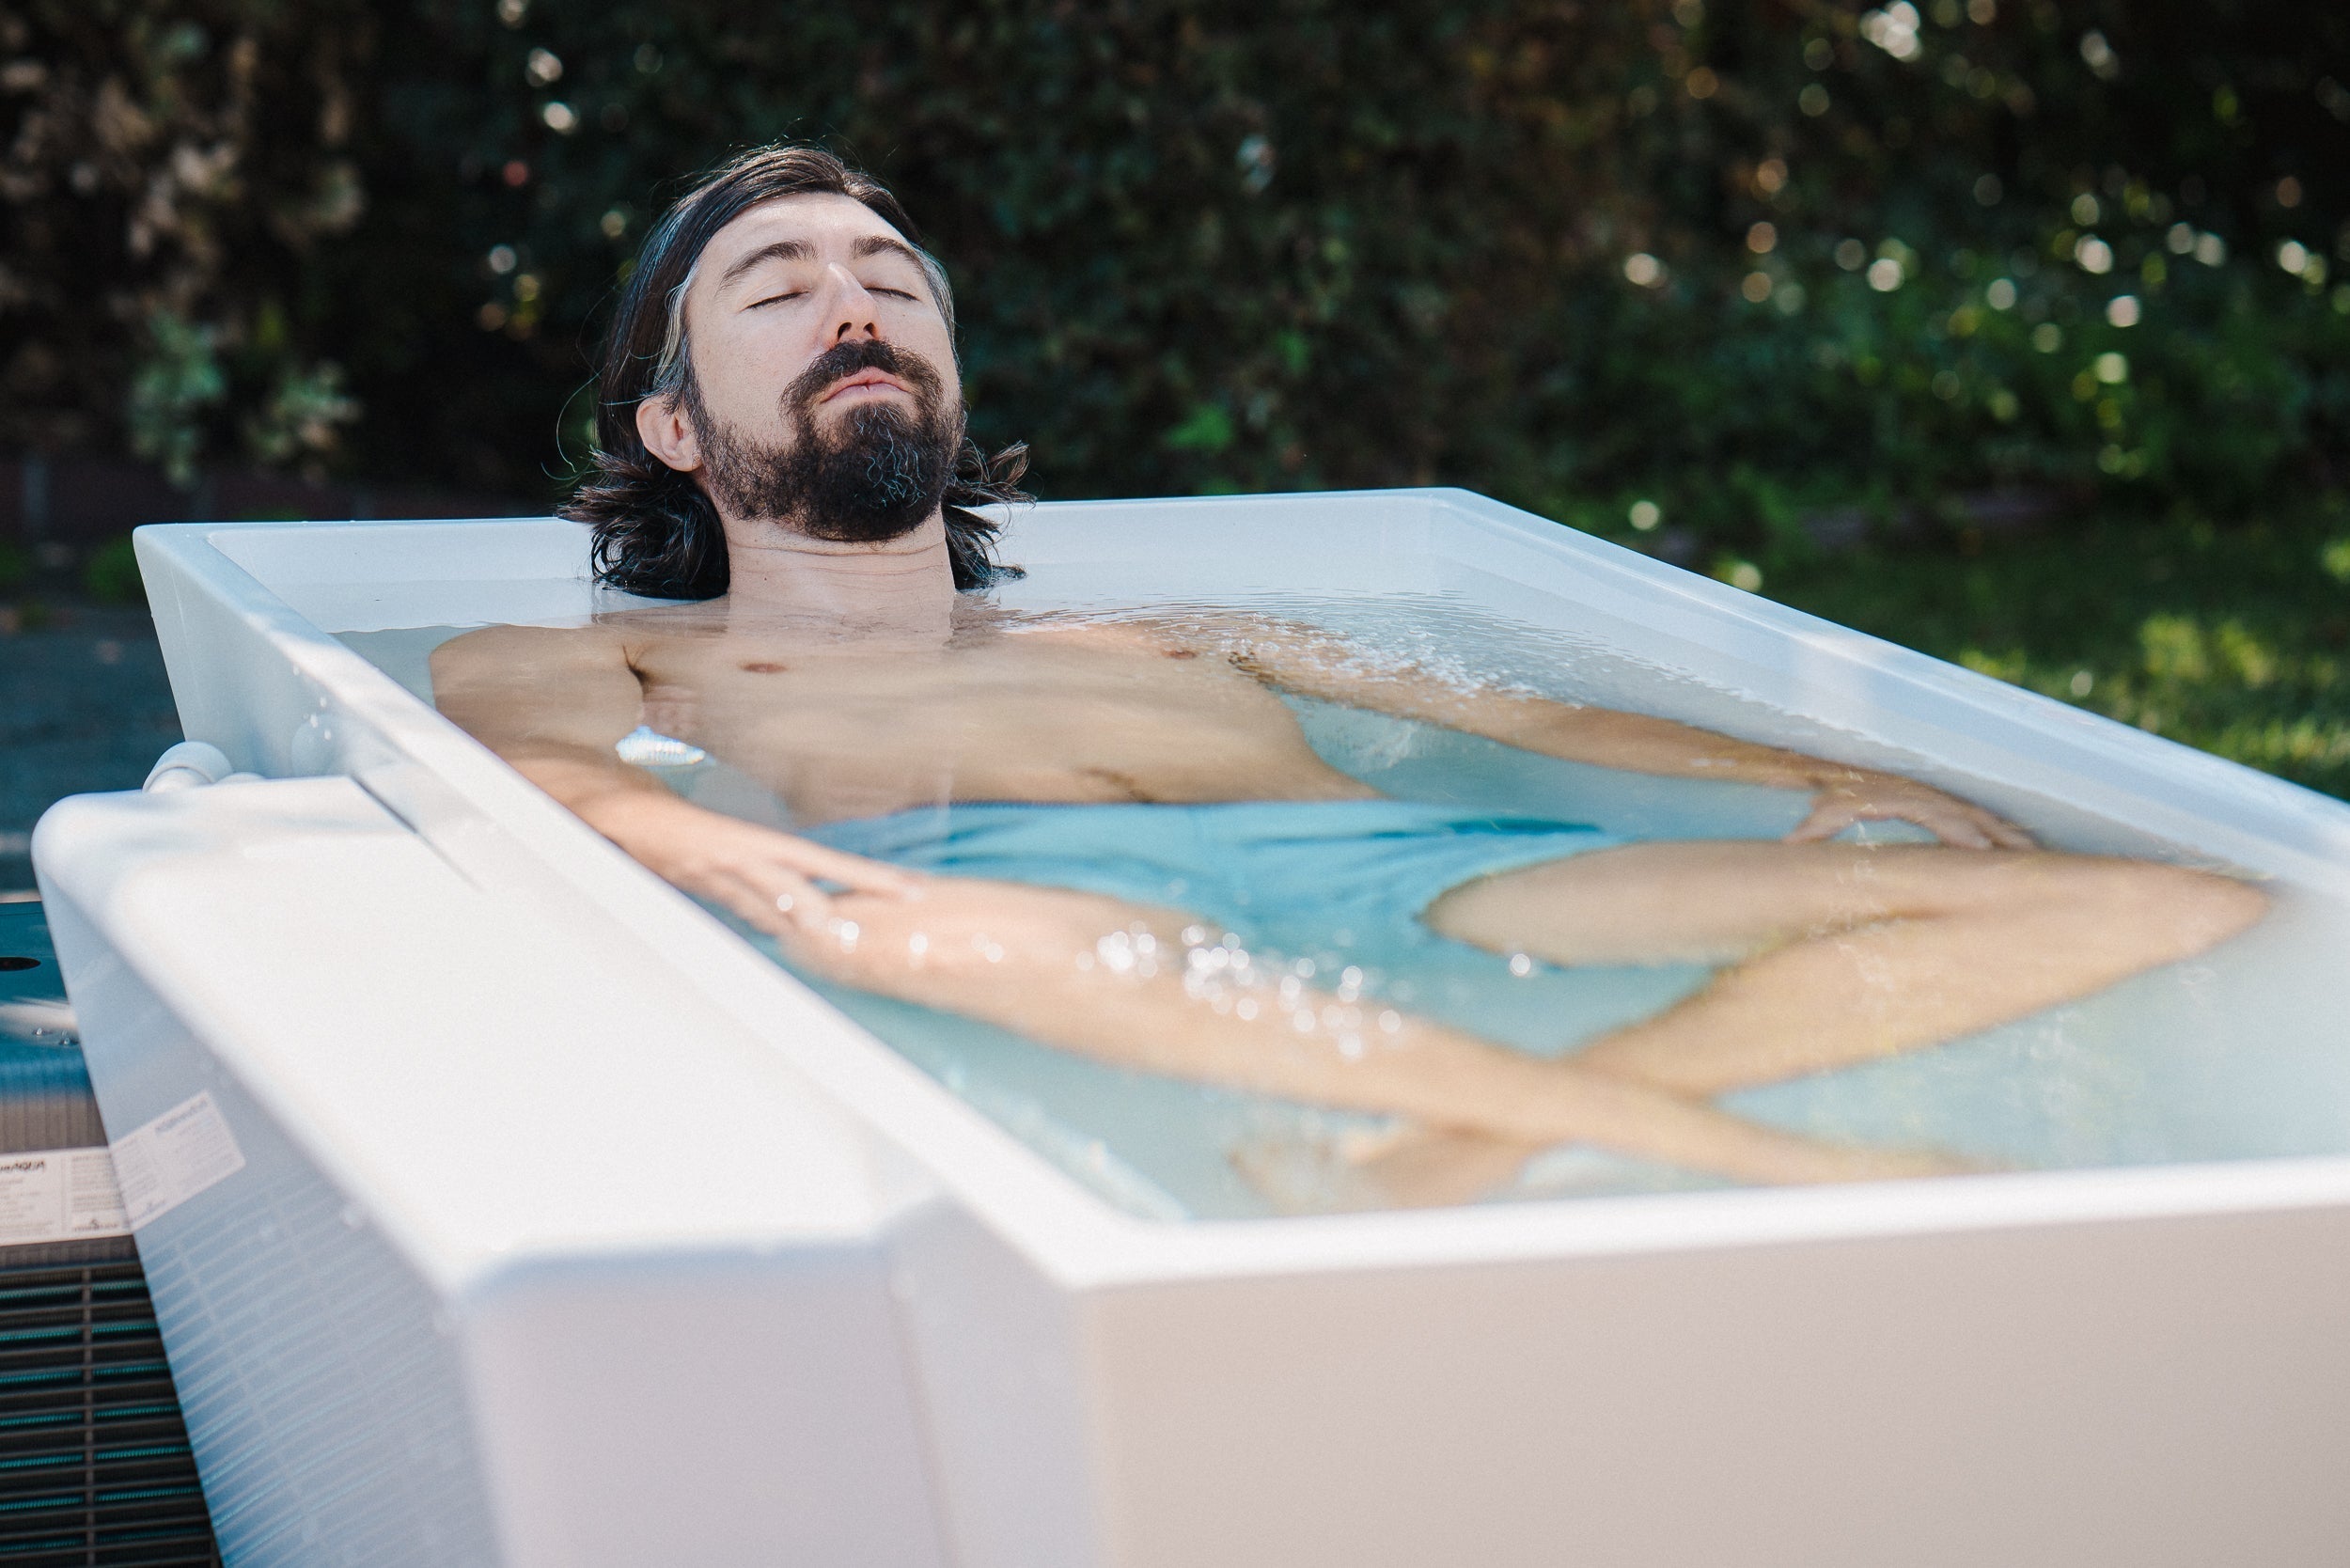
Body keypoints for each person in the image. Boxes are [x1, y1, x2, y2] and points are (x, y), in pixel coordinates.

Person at [431, 145, 2264, 1202]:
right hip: (1002, 908)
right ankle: (1711, 1144)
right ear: (672, 423)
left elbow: (1532, 719)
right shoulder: (585, 663)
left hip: (1403, 880)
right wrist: (809, 897)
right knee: (933, 932)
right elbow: (616, 835)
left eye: (890, 275)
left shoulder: (1172, 633)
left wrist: (1799, 777)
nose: (857, 298)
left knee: (2155, 907)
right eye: (776, 285)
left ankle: (1437, 1154)